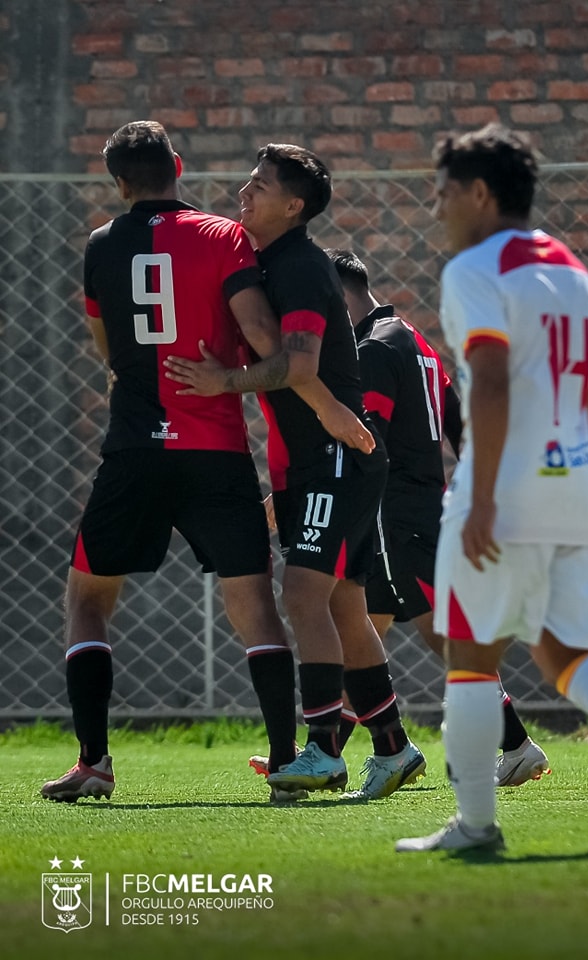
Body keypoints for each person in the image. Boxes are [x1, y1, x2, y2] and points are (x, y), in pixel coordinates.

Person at [396, 123, 588, 854]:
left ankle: (475, 826)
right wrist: (576, 472)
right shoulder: (571, 269)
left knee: (469, 659)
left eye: (442, 193)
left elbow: (494, 383)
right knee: (568, 656)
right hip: (568, 486)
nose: (436, 209)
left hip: (500, 490)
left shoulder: (474, 269)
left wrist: (486, 498)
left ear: (479, 194)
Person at [40, 120, 366, 806]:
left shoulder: (101, 246)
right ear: (178, 166)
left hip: (132, 450)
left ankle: (94, 760)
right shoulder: (225, 237)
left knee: (87, 601)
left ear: (119, 183)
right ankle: (286, 760)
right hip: (214, 449)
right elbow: (261, 338)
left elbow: (107, 347)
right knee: (253, 607)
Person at [164, 143, 425, 800]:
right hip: (317, 463)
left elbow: (300, 367)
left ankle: (319, 751)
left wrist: (224, 381)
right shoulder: (266, 259)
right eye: (247, 181)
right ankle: (392, 748)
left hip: (335, 461)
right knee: (340, 603)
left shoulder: (302, 267)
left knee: (304, 597)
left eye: (260, 185)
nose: (244, 193)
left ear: (294, 206)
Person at [326, 248, 550, 788]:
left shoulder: (373, 349)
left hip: (397, 515)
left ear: (338, 296)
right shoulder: (416, 341)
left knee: (441, 637)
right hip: (421, 507)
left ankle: (516, 744)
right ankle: (326, 750)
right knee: (361, 632)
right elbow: (458, 423)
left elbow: (366, 442)